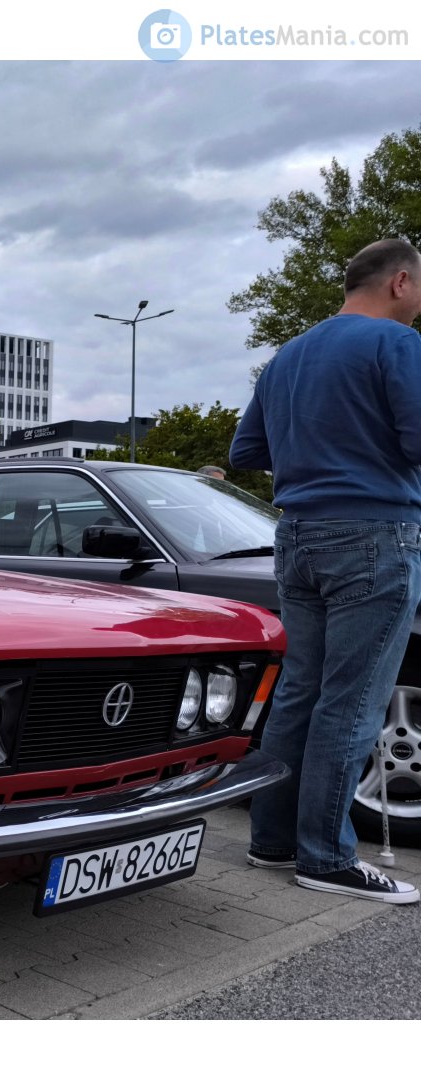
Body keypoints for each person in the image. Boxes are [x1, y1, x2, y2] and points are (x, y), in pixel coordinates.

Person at [231, 237, 421, 904]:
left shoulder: (288, 357)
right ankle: (327, 858)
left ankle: (273, 840)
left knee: (301, 692)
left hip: (297, 534)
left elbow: (245, 448)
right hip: (374, 531)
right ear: (401, 281)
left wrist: (315, 454)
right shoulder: (396, 345)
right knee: (353, 697)